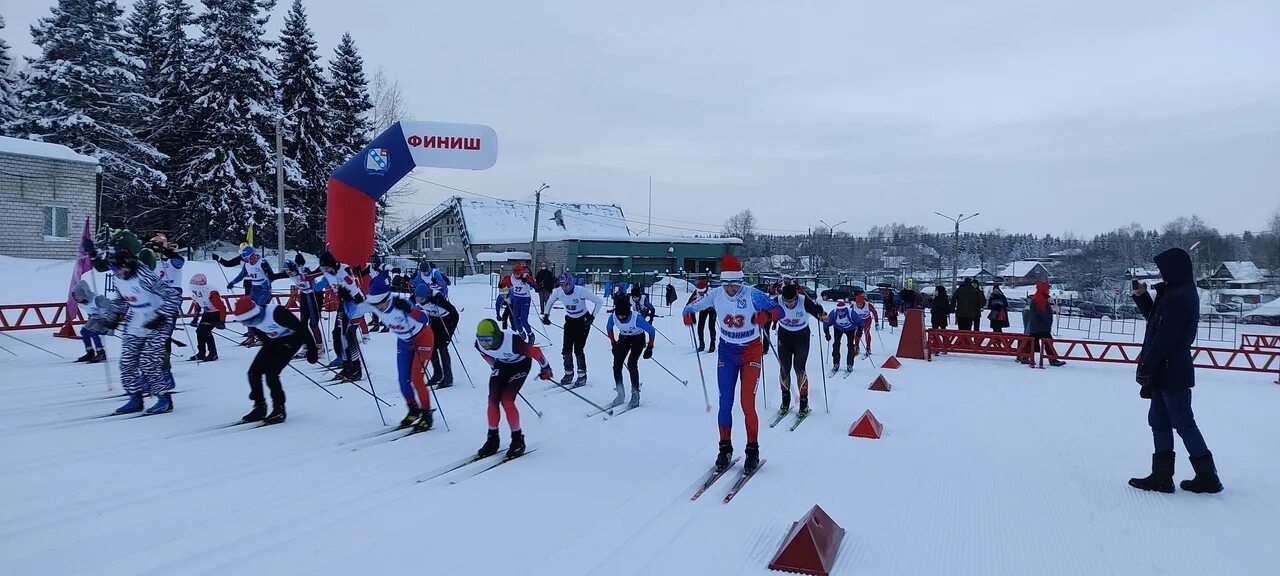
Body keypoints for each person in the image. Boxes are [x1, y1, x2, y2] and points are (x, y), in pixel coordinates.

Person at [1128, 248, 1221, 494]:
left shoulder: (1180, 295)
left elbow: (1165, 338)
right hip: (1164, 368)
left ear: (1174, 268)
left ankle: (1208, 477)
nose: (1160, 272)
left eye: (1163, 268)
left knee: (1183, 423)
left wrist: (1146, 366)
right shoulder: (1175, 292)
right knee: (1158, 422)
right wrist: (1143, 298)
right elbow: (1159, 322)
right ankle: (1161, 477)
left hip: (1173, 368)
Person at [682, 255, 782, 474]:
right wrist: (687, 314)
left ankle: (752, 450)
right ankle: (724, 448)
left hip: (751, 352)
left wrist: (765, 315)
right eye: (726, 284)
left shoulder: (752, 294)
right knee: (725, 402)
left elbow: (778, 311)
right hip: (727, 352)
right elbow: (691, 307)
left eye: (734, 284)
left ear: (741, 282)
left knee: (747, 403)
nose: (730, 289)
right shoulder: (716, 294)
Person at [92, 230, 182, 415]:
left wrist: (161, 315)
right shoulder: (118, 276)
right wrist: (112, 320)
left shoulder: (145, 276)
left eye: (120, 270)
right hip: (136, 318)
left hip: (157, 319)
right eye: (115, 270)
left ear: (129, 264)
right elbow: (119, 300)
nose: (118, 273)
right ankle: (135, 398)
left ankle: (164, 398)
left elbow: (173, 296)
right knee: (127, 362)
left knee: (148, 362)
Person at [227, 296, 319, 424]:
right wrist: (269, 349)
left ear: (255, 313)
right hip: (273, 342)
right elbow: (262, 335)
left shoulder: (277, 313)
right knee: (253, 372)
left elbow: (302, 329)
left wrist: (312, 349)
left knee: (271, 374)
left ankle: (279, 410)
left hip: (292, 341)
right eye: (245, 323)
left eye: (249, 321)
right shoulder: (253, 320)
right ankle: (259, 407)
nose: (249, 325)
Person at [362, 276, 435, 431]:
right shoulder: (375, 305)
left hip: (422, 339)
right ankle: (413, 409)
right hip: (404, 341)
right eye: (375, 304)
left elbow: (424, 318)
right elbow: (356, 309)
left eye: (380, 303)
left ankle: (427, 413)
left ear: (387, 297)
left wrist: (410, 310)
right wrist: (348, 296)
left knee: (416, 378)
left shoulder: (400, 305)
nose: (378, 307)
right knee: (403, 379)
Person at [474, 318, 554, 460]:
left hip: (520, 364)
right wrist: (495, 368)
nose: (484, 344)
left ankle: (517, 440)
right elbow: (485, 354)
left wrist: (545, 368)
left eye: (488, 339)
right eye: (481, 340)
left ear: (496, 336)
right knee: (492, 399)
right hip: (502, 366)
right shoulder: (479, 345)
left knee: (507, 400)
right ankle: (492, 438)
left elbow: (536, 352)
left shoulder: (512, 343)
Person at [542, 272, 604, 387]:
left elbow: (599, 302)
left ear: (570, 283)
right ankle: (568, 373)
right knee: (566, 349)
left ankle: (582, 375)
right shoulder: (559, 292)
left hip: (583, 321)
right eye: (561, 285)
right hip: (570, 321)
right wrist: (546, 315)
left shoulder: (580, 291)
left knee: (578, 349)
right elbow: (550, 302)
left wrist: (592, 317)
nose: (564, 287)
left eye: (566, 285)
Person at [773, 283, 826, 416]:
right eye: (787, 302)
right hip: (784, 337)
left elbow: (817, 312)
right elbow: (765, 312)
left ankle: (803, 404)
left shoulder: (803, 300)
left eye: (792, 302)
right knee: (784, 369)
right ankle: (785, 402)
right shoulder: (778, 301)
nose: (789, 305)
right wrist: (761, 318)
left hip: (801, 337)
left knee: (799, 368)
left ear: (796, 297)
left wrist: (821, 315)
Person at [313, 251, 365, 382]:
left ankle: (357, 368)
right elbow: (317, 286)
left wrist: (350, 295)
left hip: (356, 306)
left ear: (332, 265)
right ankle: (347, 365)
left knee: (349, 336)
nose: (325, 271)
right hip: (344, 305)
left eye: (326, 268)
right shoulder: (327, 273)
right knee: (339, 335)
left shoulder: (343, 270)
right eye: (323, 269)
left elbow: (354, 288)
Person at [607, 295, 656, 408]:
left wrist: (650, 348)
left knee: (631, 363)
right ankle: (620, 394)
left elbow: (651, 331)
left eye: (624, 316)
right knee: (617, 365)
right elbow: (609, 328)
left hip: (638, 339)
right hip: (624, 338)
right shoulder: (614, 317)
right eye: (619, 315)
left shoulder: (637, 318)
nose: (621, 318)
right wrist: (613, 343)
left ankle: (635, 395)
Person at [414, 284, 459, 388]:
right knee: (432, 347)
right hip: (435, 319)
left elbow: (454, 313)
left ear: (428, 296)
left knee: (442, 347)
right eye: (418, 298)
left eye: (422, 298)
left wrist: (450, 333)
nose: (419, 300)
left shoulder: (437, 298)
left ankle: (448, 378)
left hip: (448, 320)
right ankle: (437, 374)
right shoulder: (416, 297)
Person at [1018, 281, 1065, 367]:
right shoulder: (1039, 299)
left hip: (1038, 326)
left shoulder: (1040, 298)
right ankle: (1052, 359)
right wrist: (1047, 320)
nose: (1049, 291)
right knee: (1047, 342)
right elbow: (1041, 313)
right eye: (1047, 289)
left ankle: (1025, 358)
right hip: (1040, 326)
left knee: (1032, 342)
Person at [187, 274, 227, 361]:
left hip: (216, 313)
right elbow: (197, 305)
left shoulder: (211, 292)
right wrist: (195, 319)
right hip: (207, 313)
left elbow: (222, 308)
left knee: (205, 331)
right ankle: (201, 353)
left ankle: (213, 353)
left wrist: (222, 321)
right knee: (199, 331)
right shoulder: (196, 293)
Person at [71, 280, 111, 364]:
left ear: (83, 293)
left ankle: (101, 353)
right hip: (95, 318)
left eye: (77, 295)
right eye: (74, 295)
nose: (76, 297)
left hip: (106, 318)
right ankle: (90, 352)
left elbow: (110, 306)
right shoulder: (81, 303)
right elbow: (90, 313)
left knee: (93, 331)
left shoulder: (97, 299)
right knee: (84, 331)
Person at [822, 300, 864, 374]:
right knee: (836, 344)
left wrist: (859, 331)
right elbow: (826, 322)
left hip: (850, 329)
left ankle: (850, 364)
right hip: (838, 329)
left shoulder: (851, 312)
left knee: (850, 345)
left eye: (842, 311)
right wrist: (827, 333)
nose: (841, 313)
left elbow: (860, 322)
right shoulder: (834, 313)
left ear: (845, 310)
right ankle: (836, 363)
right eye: (839, 311)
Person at [508, 263, 537, 342]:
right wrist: (501, 285)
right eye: (515, 273)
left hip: (525, 299)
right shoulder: (512, 277)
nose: (516, 275)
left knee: (524, 320)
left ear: (521, 272)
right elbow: (505, 283)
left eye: (518, 274)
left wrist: (530, 283)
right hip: (517, 299)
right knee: (515, 319)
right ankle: (521, 333)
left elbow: (533, 284)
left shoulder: (525, 276)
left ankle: (531, 335)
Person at [688, 279, 716, 353]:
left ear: (706, 288)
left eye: (702, 292)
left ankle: (712, 345)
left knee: (711, 326)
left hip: (712, 309)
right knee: (700, 327)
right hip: (703, 309)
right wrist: (689, 313)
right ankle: (701, 345)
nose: (700, 293)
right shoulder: (696, 292)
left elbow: (717, 301)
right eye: (699, 292)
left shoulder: (711, 291)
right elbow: (689, 303)